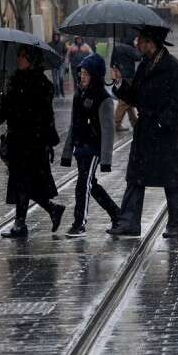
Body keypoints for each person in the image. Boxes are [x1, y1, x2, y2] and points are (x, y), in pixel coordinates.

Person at [108, 26, 178, 238]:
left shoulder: (174, 67)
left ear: (151, 43)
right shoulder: (144, 66)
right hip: (144, 133)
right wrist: (119, 82)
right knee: (135, 178)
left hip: (165, 135)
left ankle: (174, 225)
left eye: (141, 41)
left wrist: (163, 123)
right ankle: (129, 223)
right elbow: (134, 97)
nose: (137, 44)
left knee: (171, 180)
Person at [0, 46, 66, 238]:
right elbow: (0, 117)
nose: (19, 59)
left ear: (32, 60)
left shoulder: (42, 85)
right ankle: (49, 210)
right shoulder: (14, 82)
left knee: (25, 183)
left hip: (34, 143)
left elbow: (47, 116)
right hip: (17, 141)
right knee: (24, 183)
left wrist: (48, 142)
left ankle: (22, 223)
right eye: (18, 56)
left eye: (23, 56)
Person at [60, 54, 120, 238]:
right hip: (80, 147)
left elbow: (108, 131)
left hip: (93, 148)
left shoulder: (103, 98)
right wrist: (67, 152)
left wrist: (106, 159)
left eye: (86, 73)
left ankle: (79, 223)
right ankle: (117, 214)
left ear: (95, 75)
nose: (82, 76)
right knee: (90, 184)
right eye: (81, 73)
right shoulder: (79, 94)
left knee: (83, 184)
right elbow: (74, 124)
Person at [110, 36, 141, 131]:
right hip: (128, 77)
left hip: (119, 77)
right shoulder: (129, 48)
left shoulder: (116, 47)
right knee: (124, 102)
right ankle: (116, 123)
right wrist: (137, 47)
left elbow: (112, 63)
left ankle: (134, 122)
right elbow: (138, 57)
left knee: (128, 99)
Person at [48, 32, 67, 98]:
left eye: (57, 36)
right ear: (53, 37)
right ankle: (57, 93)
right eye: (55, 36)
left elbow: (65, 52)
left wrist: (63, 57)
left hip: (61, 64)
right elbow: (48, 55)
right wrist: (51, 62)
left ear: (58, 37)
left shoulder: (62, 43)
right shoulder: (50, 44)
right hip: (53, 65)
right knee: (55, 81)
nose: (56, 37)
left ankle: (62, 91)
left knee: (61, 78)